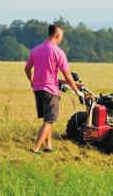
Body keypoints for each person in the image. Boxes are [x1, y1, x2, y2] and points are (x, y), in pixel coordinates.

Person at [24, 24, 84, 153]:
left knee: (47, 118)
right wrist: (77, 91)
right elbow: (67, 75)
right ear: (57, 36)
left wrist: (32, 81)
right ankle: (35, 148)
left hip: (38, 89)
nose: (61, 39)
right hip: (50, 90)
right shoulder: (58, 52)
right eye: (61, 36)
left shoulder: (36, 50)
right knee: (50, 120)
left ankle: (48, 146)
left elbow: (27, 69)